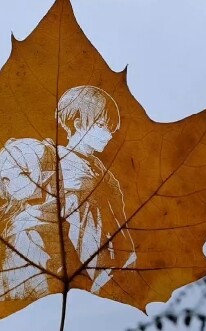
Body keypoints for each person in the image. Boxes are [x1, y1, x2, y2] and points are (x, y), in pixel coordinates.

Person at [56, 85, 136, 293]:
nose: (108, 135)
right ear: (78, 124)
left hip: (120, 260)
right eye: (101, 125)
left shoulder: (98, 167)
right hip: (95, 270)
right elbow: (80, 224)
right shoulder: (64, 164)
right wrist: (102, 272)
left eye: (111, 129)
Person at [0, 138, 55, 300]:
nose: (14, 185)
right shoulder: (20, 229)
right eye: (6, 180)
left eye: (23, 173)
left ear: (45, 172)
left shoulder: (63, 211)